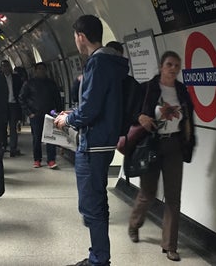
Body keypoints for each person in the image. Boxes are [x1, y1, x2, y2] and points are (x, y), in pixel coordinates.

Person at [54, 15, 129, 266]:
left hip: (93, 143)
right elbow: (96, 103)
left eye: (75, 37)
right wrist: (73, 113)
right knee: (98, 200)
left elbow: (90, 110)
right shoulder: (113, 62)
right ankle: (99, 255)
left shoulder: (98, 63)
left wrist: (68, 120)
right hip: (105, 140)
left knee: (90, 204)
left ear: (81, 36)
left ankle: (99, 260)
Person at [127, 51, 196, 262]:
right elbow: (130, 112)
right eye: (169, 64)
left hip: (174, 145)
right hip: (152, 145)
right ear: (161, 66)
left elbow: (188, 119)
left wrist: (189, 141)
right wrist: (141, 117)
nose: (173, 69)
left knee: (173, 197)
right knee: (147, 192)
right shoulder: (147, 88)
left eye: (177, 65)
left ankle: (170, 245)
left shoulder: (182, 91)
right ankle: (135, 223)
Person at [18, 62, 63, 169]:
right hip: (36, 115)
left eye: (43, 69)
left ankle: (51, 160)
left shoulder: (51, 83)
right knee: (37, 138)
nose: (42, 71)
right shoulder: (29, 83)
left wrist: (59, 113)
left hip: (50, 114)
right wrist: (29, 113)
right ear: (35, 70)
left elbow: (57, 98)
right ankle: (37, 159)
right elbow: (21, 98)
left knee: (50, 138)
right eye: (40, 69)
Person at [0, 60, 23, 157]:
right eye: (3, 66)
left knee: (13, 127)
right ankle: (3, 145)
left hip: (13, 104)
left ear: (10, 67)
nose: (5, 68)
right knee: (3, 126)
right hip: (3, 105)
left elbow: (21, 91)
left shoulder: (16, 78)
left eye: (7, 66)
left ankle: (13, 148)